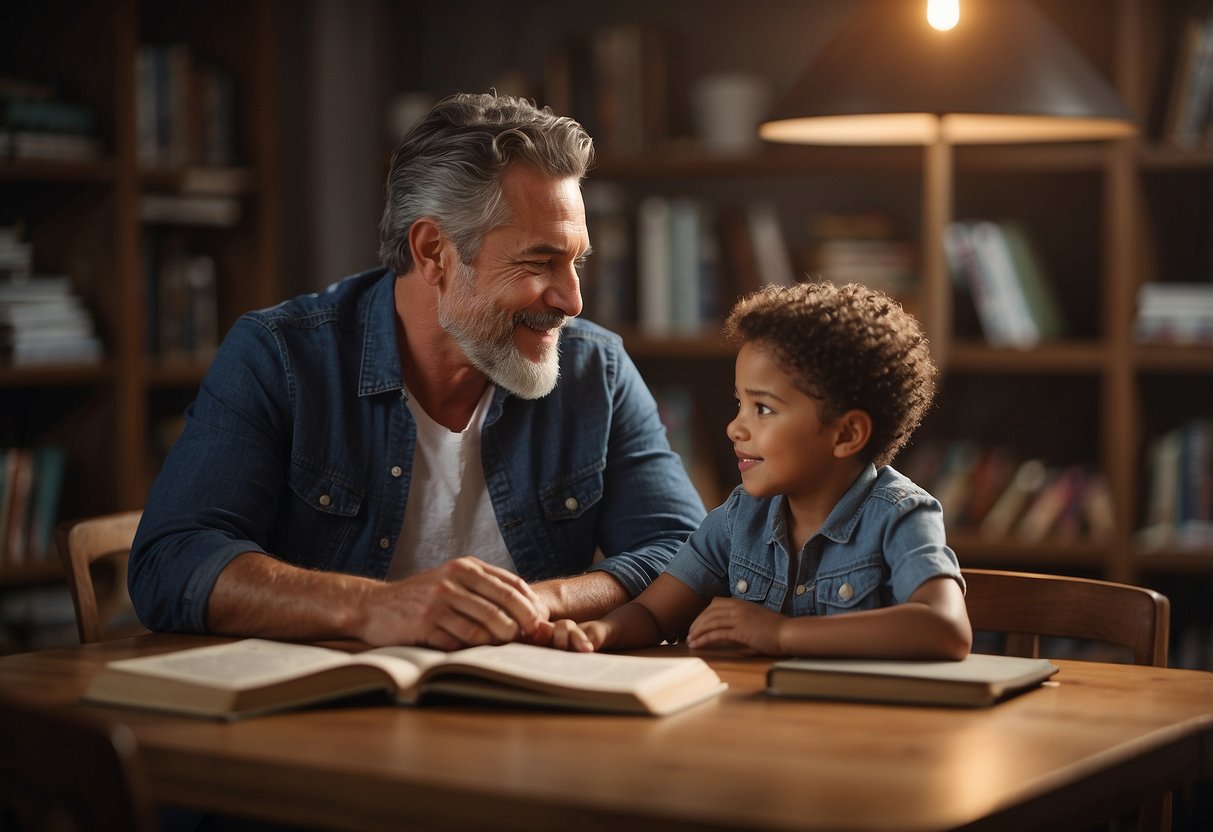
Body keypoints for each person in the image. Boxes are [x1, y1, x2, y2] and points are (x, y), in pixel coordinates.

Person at [128, 93, 707, 649]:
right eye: (539, 262)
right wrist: (376, 607)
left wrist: (541, 602)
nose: (573, 301)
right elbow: (172, 562)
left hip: (531, 726)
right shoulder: (279, 357)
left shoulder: (596, 369)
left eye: (575, 262)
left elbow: (687, 556)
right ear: (434, 251)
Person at [542, 281, 972, 659]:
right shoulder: (737, 520)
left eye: (763, 408)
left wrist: (783, 634)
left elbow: (946, 630)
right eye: (739, 403)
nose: (734, 427)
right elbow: (652, 613)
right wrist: (598, 633)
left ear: (846, 434)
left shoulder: (901, 516)